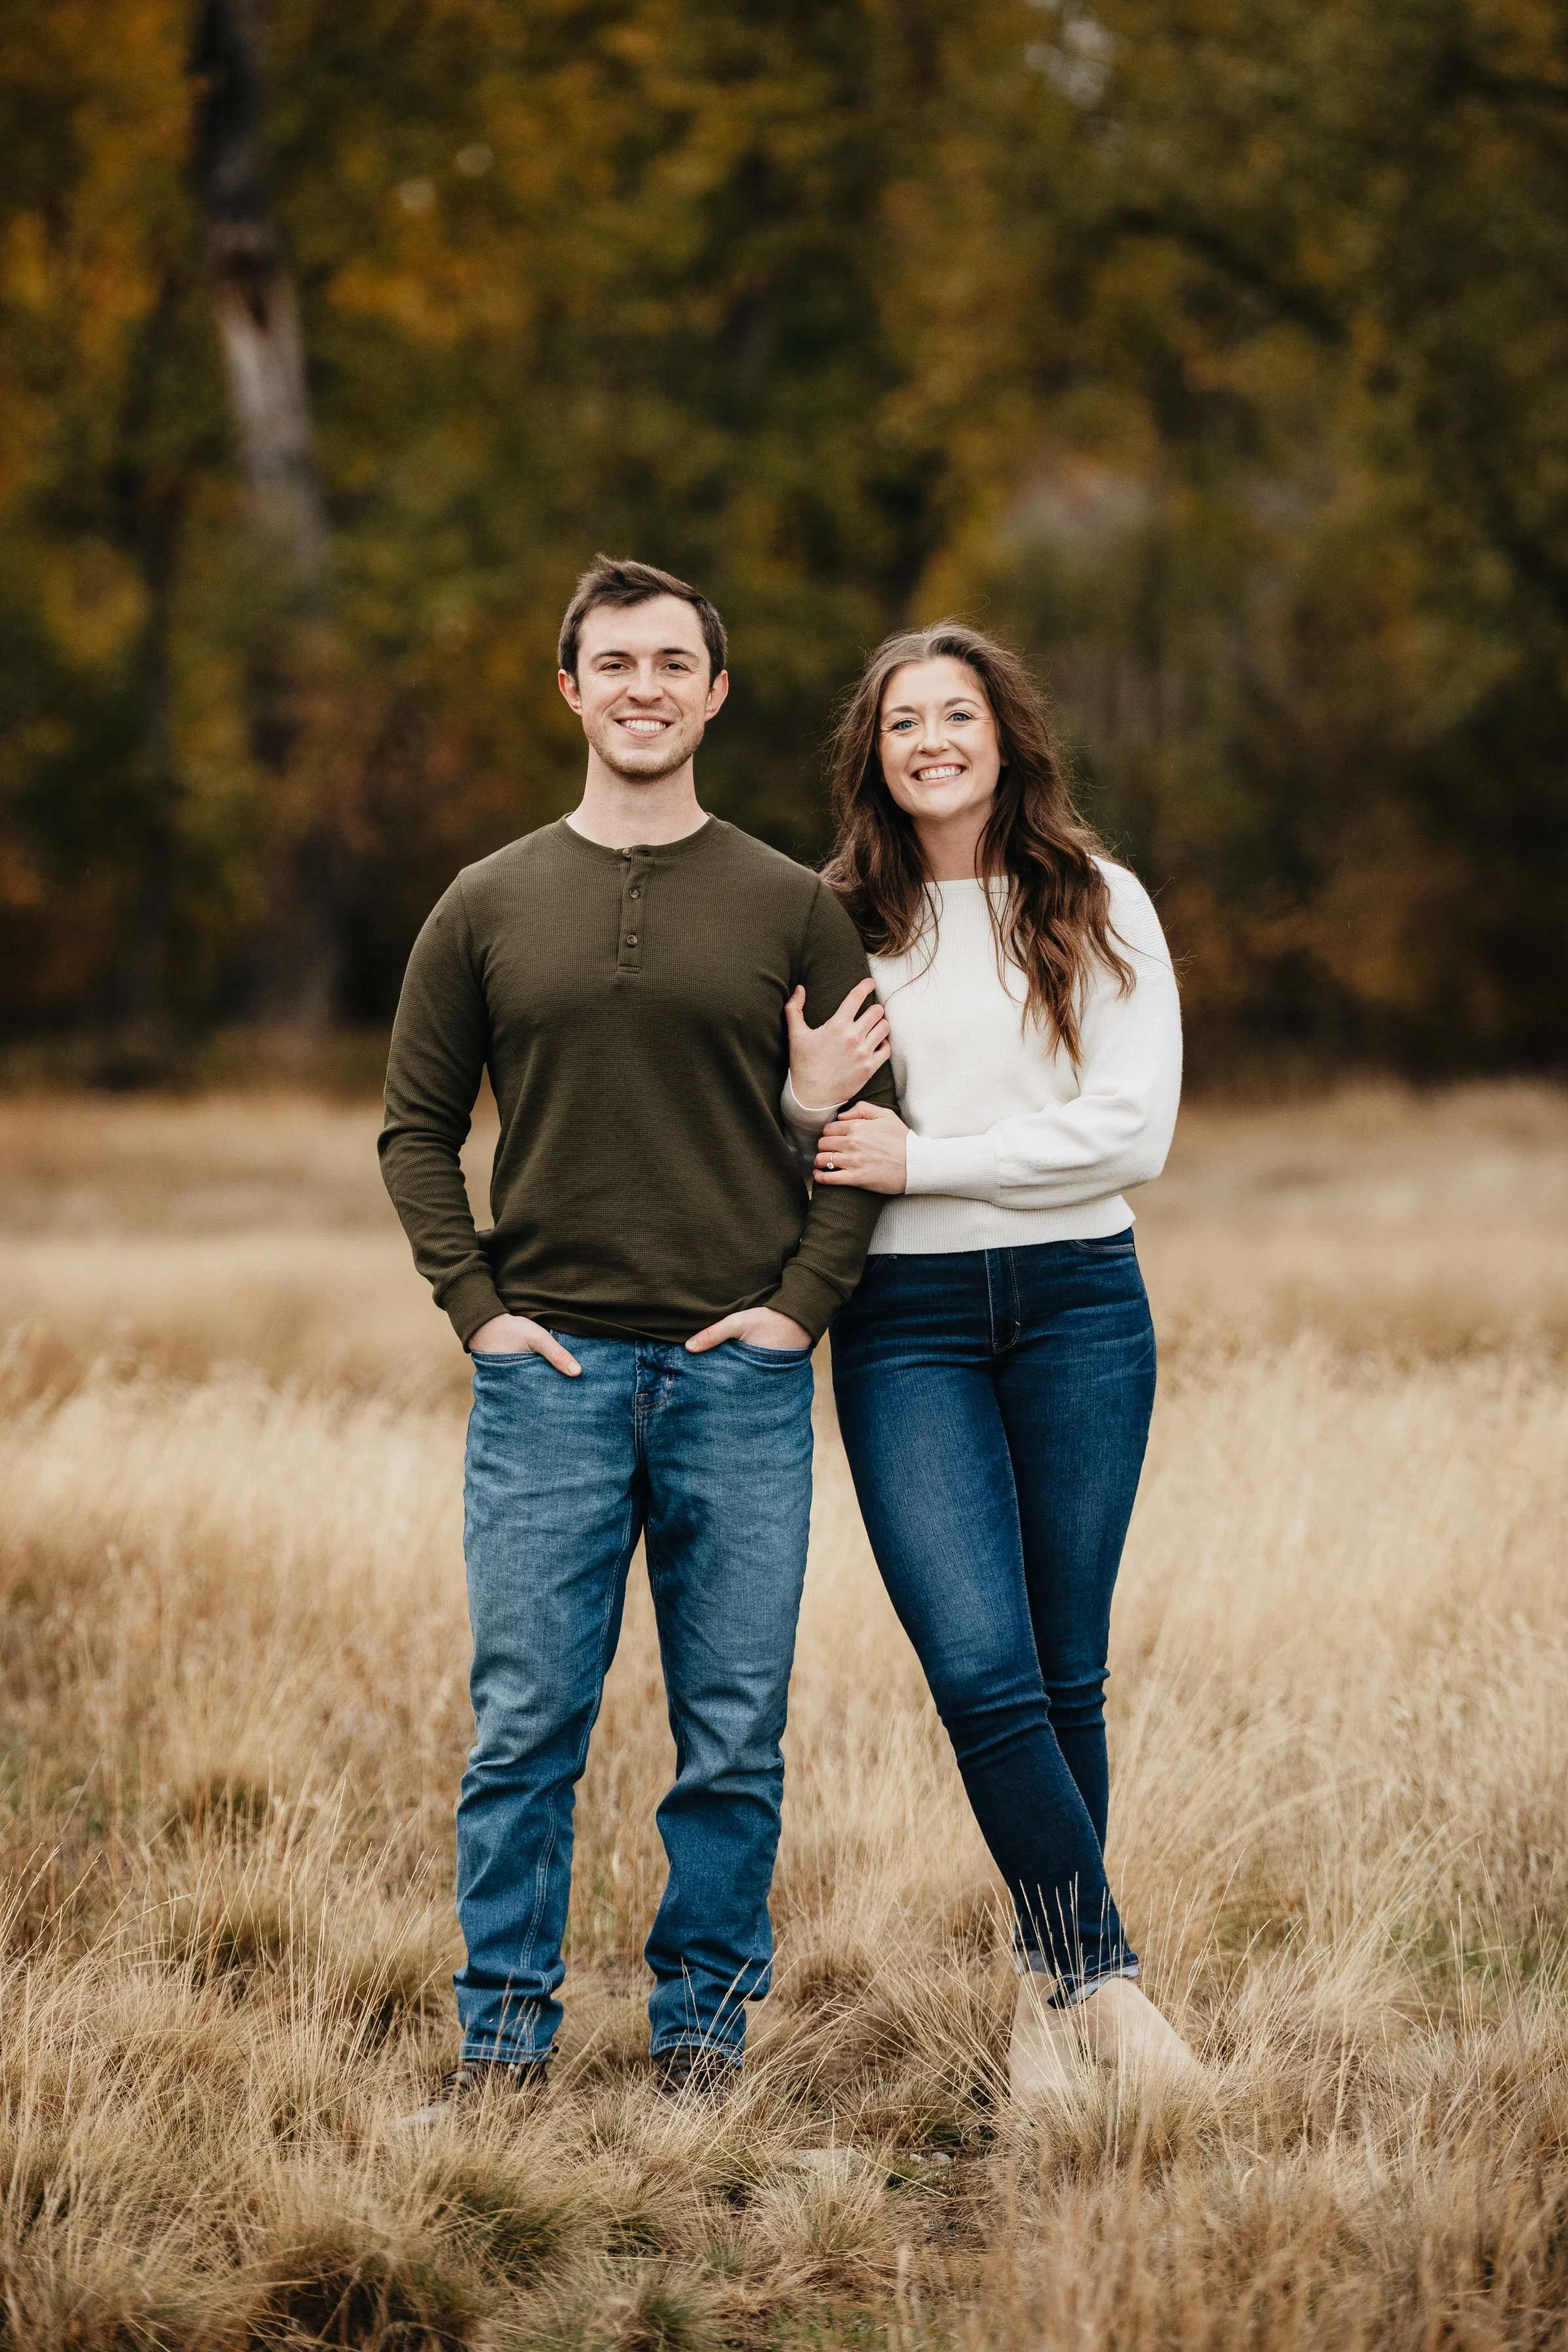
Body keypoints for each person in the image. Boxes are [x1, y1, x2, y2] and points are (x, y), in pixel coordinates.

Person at [379, 555, 894, 2113]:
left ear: (716, 694)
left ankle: (701, 2045)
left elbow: (866, 1132)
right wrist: (478, 1314)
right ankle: (501, 2048)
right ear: (571, 689)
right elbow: (414, 1132)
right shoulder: (485, 903)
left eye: (674, 663)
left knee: (732, 1733)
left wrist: (797, 1311)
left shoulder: (793, 907)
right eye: (616, 663)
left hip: (738, 1380)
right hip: (549, 1379)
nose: (645, 688)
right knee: (525, 1728)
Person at [782, 622, 1196, 2094]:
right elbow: (799, 1126)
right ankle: (1106, 1986)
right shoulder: (833, 916)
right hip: (905, 1322)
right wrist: (806, 1106)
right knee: (977, 1663)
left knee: (1066, 1666)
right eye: (904, 722)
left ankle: (1049, 2009)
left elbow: (1132, 1131)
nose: (933, 741)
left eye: (958, 714)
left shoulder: (1096, 898)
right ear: (874, 754)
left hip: (1083, 1304)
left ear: (1007, 735)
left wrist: (931, 1161)